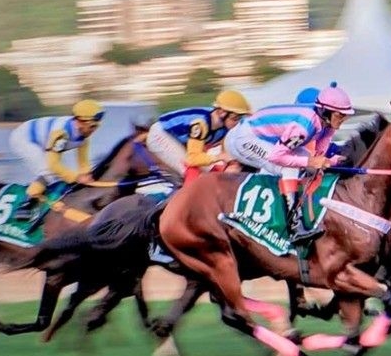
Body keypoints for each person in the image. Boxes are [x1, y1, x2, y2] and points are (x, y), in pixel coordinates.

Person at [223, 86, 354, 243]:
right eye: (340, 116)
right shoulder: (303, 127)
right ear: (325, 112)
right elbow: (277, 156)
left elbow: (317, 155)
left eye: (345, 116)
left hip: (259, 135)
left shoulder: (326, 123)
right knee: (289, 167)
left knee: (302, 161)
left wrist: (330, 161)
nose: (342, 120)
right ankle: (293, 226)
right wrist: (311, 161)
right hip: (242, 139)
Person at [8, 99, 116, 225]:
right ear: (80, 121)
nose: (94, 130)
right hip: (24, 138)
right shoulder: (60, 134)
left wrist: (86, 175)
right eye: (92, 126)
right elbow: (53, 165)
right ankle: (25, 205)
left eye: (97, 126)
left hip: (44, 142)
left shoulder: (83, 136)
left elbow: (83, 162)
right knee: (48, 172)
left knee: (60, 174)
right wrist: (76, 178)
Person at [147, 90, 252, 184]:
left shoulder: (224, 128)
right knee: (191, 170)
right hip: (160, 135)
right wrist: (220, 157)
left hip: (180, 139)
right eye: (235, 118)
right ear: (222, 113)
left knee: (213, 170)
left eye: (240, 118)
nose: (237, 123)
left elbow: (226, 153)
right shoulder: (201, 124)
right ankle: (188, 204)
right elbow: (192, 159)